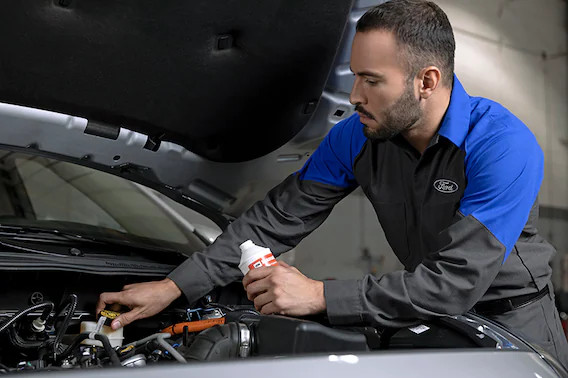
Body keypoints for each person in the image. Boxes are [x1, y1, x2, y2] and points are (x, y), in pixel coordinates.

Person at [97, 0, 568, 366]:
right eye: (355, 75)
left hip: (514, 321)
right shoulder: (356, 137)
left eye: (371, 80)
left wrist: (320, 295)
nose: (354, 96)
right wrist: (175, 287)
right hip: (420, 315)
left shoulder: (503, 146)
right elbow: (278, 219)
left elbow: (454, 283)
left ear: (426, 81)